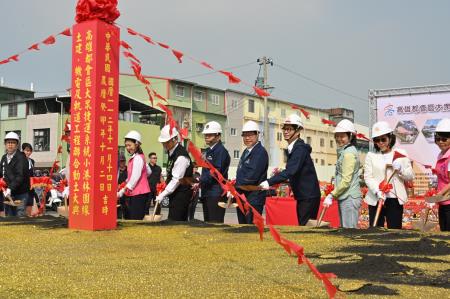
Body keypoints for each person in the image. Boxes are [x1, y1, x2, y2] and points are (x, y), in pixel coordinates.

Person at [260, 114, 321, 225]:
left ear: (298, 131)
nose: (286, 131)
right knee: (305, 227)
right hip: (305, 195)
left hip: (308, 196)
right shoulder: (294, 148)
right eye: (285, 128)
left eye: (290, 129)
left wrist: (269, 182)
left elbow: (290, 171)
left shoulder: (299, 149)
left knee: (305, 229)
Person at [364, 121, 415, 229]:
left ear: (390, 138)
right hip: (376, 198)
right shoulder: (371, 156)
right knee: (375, 231)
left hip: (394, 199)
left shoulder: (400, 154)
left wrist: (401, 170)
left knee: (395, 231)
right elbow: (368, 177)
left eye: (383, 139)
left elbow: (410, 176)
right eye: (377, 140)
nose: (380, 143)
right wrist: (377, 191)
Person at [323, 120, 362, 228]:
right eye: (337, 136)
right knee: (346, 230)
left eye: (342, 136)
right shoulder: (345, 151)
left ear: (350, 136)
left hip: (349, 197)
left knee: (349, 232)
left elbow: (346, 181)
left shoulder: (348, 154)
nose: (339, 139)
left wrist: (331, 195)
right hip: (346, 196)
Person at [156, 125, 193, 221]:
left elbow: (176, 179)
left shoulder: (181, 156)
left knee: (176, 221)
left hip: (181, 195)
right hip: (175, 193)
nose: (164, 145)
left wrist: (163, 194)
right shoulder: (171, 152)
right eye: (163, 142)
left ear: (175, 139)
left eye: (167, 142)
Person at [234, 120, 268, 224]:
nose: (247, 138)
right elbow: (240, 173)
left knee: (251, 229)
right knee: (242, 228)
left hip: (253, 198)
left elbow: (252, 176)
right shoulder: (246, 151)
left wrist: (236, 186)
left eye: (250, 135)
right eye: (245, 135)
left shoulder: (260, 152)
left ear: (257, 134)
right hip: (242, 196)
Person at [196, 121, 231, 223]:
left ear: (218, 136)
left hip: (216, 193)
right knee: (208, 224)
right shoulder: (208, 151)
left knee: (215, 224)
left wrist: (199, 180)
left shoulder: (221, 151)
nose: (206, 136)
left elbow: (216, 173)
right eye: (206, 134)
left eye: (210, 134)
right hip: (207, 192)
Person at [117, 130, 151, 220]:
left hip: (139, 194)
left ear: (136, 144)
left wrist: (122, 192)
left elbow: (134, 178)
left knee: (135, 220)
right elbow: (148, 172)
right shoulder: (138, 157)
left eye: (129, 145)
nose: (128, 148)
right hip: (137, 193)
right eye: (126, 145)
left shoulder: (137, 158)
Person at [0, 132, 31, 217]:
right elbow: (1, 174)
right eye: (8, 142)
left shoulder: (21, 157)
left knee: (19, 217)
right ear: (5, 144)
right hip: (8, 193)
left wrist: (10, 188)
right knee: (9, 218)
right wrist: (4, 187)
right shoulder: (3, 157)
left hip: (20, 193)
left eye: (13, 142)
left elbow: (20, 176)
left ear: (17, 145)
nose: (10, 145)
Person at [433, 118, 450, 231]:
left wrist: (439, 194)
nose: (441, 142)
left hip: (448, 201)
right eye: (438, 139)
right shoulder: (441, 155)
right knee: (443, 232)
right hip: (443, 201)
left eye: (444, 139)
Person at [22, 143, 37, 216]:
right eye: (26, 150)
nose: (28, 152)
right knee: (21, 206)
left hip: (30, 187)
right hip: (21, 187)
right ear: (23, 151)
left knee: (29, 203)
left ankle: (28, 218)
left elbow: (32, 174)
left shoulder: (32, 161)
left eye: (30, 151)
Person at [117, 154, 128, 219]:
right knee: (118, 209)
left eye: (123, 161)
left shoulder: (128, 170)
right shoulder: (116, 170)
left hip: (126, 192)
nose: (122, 163)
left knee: (126, 209)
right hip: (117, 193)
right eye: (120, 161)